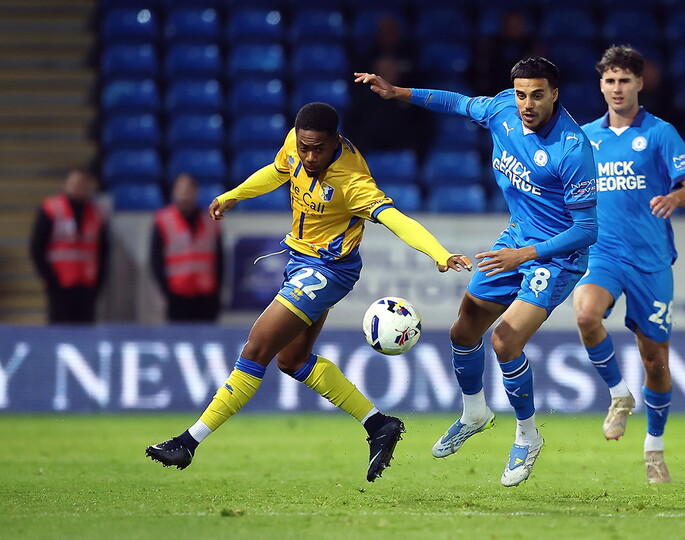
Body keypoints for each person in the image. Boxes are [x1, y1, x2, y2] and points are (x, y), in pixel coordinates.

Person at [145, 103, 472, 483]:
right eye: (304, 148)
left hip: (328, 270)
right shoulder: (296, 143)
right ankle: (379, 425)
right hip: (300, 260)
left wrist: (439, 253)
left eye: (318, 148)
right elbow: (276, 170)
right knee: (292, 360)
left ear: (336, 139)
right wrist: (236, 193)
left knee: (256, 349)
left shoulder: (352, 180)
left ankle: (188, 442)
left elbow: (395, 219)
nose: (310, 156)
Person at [355, 57, 598, 487]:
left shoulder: (572, 150)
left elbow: (586, 229)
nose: (527, 103)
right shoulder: (503, 108)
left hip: (555, 255)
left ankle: (528, 436)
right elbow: (457, 102)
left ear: (555, 94)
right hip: (517, 239)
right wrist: (399, 93)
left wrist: (526, 255)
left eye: (537, 95)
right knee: (462, 331)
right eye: (522, 93)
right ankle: (475, 412)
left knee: (505, 341)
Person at [574, 46, 685, 483]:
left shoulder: (659, 133)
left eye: (625, 80)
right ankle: (617, 394)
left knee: (656, 363)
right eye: (610, 80)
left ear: (639, 84)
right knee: (586, 314)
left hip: (650, 261)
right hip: (604, 254)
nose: (617, 88)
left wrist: (674, 196)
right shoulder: (586, 137)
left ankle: (654, 446)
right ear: (601, 85)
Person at [29, 168, 109, 324]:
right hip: (60, 284)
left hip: (87, 286)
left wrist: (99, 282)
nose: (79, 187)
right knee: (59, 332)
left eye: (83, 184)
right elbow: (36, 247)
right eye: (75, 183)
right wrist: (50, 278)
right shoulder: (51, 209)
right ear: (65, 184)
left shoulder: (97, 214)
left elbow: (103, 252)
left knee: (85, 334)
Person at [150, 173, 223, 322]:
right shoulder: (163, 220)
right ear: (174, 192)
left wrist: (217, 292)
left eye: (189, 189)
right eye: (181, 189)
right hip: (177, 296)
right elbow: (155, 260)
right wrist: (166, 291)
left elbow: (220, 260)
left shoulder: (211, 221)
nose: (185, 193)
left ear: (196, 192)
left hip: (206, 297)